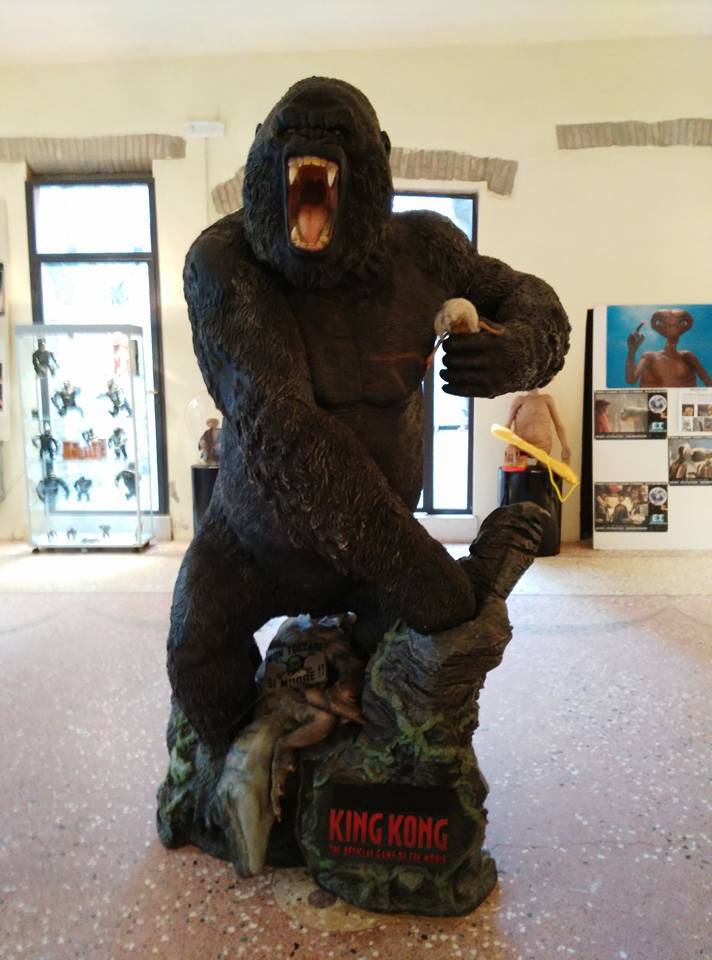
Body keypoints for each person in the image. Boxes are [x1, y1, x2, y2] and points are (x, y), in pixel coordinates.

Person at [626, 310, 712, 388]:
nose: (672, 328)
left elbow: (709, 383)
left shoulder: (688, 357)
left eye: (676, 325)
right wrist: (631, 351)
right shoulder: (650, 357)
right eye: (669, 325)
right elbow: (631, 380)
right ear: (662, 327)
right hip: (658, 399)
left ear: (681, 326)